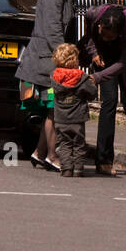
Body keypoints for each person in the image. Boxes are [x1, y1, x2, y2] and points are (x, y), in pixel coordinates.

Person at [16, 0, 89, 172]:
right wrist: (68, 61)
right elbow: (53, 32)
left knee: (54, 109)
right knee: (55, 109)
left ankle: (40, 153)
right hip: (45, 61)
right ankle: (53, 155)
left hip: (51, 60)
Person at [78, 3, 126, 176]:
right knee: (109, 102)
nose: (106, 38)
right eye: (104, 34)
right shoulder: (93, 15)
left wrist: (98, 77)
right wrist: (94, 53)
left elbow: (123, 63)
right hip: (102, 59)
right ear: (100, 24)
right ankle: (104, 160)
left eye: (110, 37)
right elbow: (89, 37)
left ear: (119, 33)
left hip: (124, 64)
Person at [51, 43, 97, 177]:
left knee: (64, 143)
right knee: (78, 144)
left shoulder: (54, 77)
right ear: (75, 60)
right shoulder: (81, 78)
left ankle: (66, 168)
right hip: (77, 118)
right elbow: (92, 93)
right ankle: (78, 169)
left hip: (60, 118)